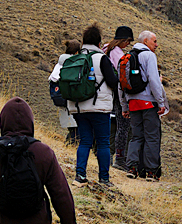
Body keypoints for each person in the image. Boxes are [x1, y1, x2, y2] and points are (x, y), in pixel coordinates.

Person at [54, 23, 115, 185]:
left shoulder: (75, 58)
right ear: (99, 43)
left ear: (83, 42)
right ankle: (104, 178)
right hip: (99, 108)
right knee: (103, 142)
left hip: (78, 107)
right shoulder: (102, 58)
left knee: (85, 141)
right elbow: (113, 82)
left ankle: (80, 176)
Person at [122, 30, 168, 180]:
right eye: (154, 41)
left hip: (133, 103)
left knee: (136, 136)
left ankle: (132, 168)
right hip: (149, 103)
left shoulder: (126, 57)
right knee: (152, 137)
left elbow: (120, 84)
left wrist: (125, 106)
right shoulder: (149, 56)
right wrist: (161, 102)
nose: (156, 44)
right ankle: (151, 171)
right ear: (145, 41)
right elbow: (154, 81)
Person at [104, 25, 134, 166]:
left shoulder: (106, 49)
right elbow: (123, 75)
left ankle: (109, 158)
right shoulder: (117, 54)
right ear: (122, 40)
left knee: (112, 128)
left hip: (107, 93)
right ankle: (119, 159)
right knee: (123, 127)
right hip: (118, 94)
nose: (128, 44)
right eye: (128, 41)